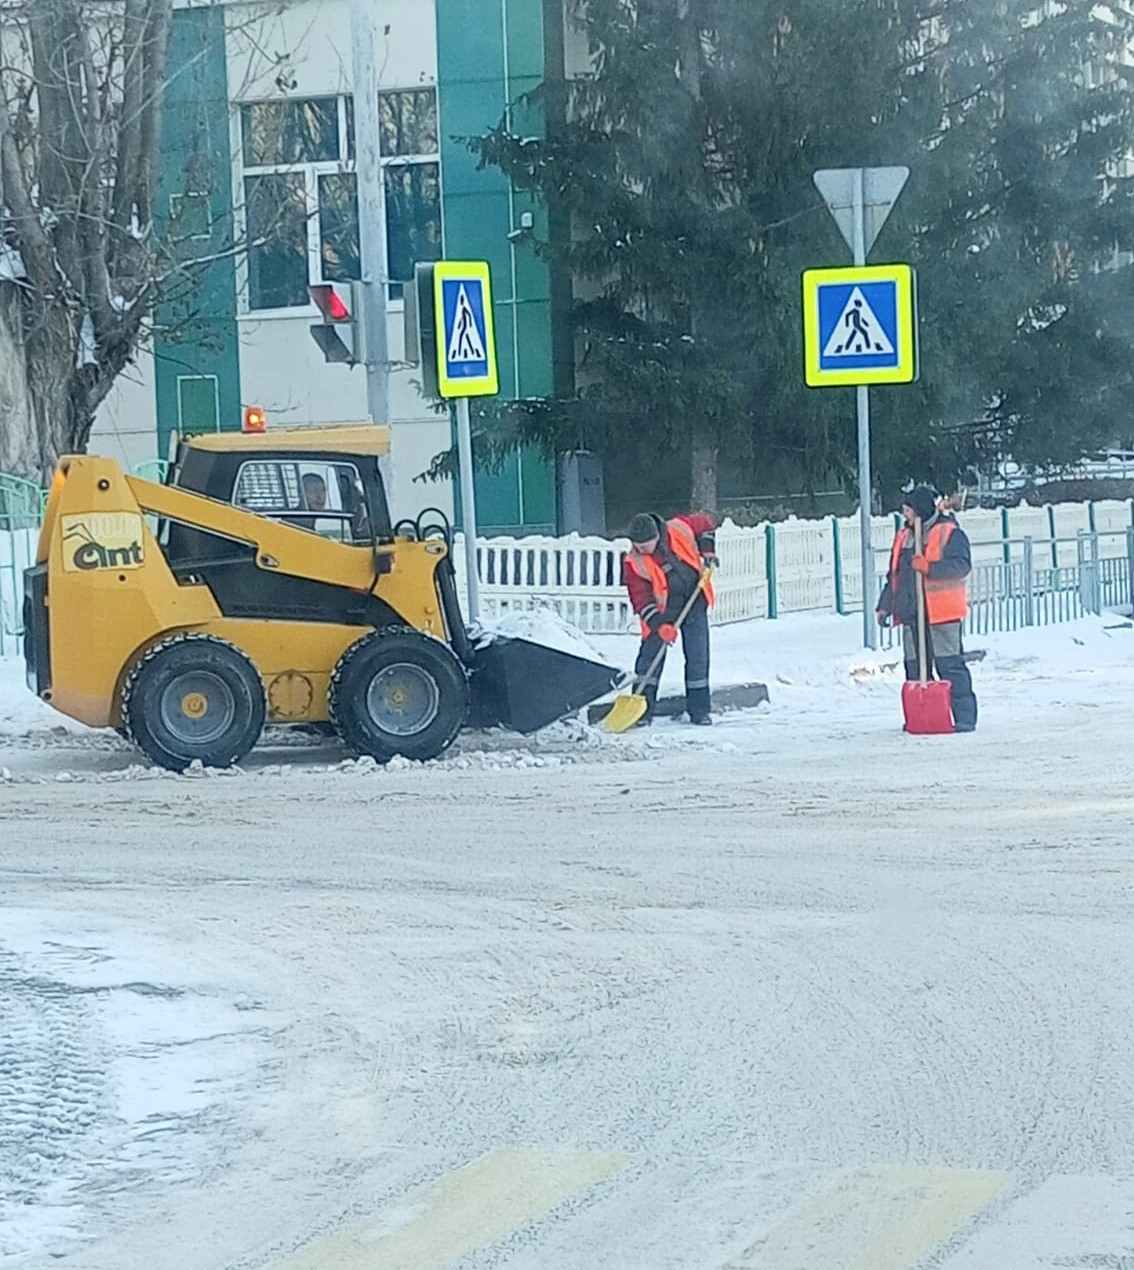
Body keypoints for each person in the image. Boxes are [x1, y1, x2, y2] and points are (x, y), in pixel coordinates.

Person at [877, 484, 978, 732]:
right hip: (912, 613)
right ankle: (922, 715)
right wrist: (885, 605)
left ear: (920, 510)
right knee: (915, 668)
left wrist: (930, 569)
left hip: (941, 614)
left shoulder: (949, 533)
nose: (905, 516)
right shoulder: (904, 537)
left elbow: (961, 566)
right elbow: (895, 575)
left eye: (908, 510)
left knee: (949, 666)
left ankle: (964, 717)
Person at [623, 510, 718, 726]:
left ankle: (699, 711)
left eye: (645, 545)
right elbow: (640, 598)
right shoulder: (633, 562)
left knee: (698, 657)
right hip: (662, 612)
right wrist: (659, 625)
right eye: (637, 545)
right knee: (649, 659)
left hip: (694, 600)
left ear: (657, 536)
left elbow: (705, 524)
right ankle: (641, 711)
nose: (640, 549)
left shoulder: (678, 528)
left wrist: (708, 552)